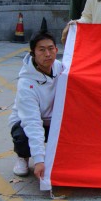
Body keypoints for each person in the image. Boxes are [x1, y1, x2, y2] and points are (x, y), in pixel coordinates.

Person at [8, 31, 63, 179]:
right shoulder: (26, 84)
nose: (47, 54)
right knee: (23, 135)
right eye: (42, 50)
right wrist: (39, 160)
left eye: (51, 48)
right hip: (25, 122)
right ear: (33, 53)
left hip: (52, 120)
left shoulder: (60, 68)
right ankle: (22, 157)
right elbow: (32, 121)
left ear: (56, 49)